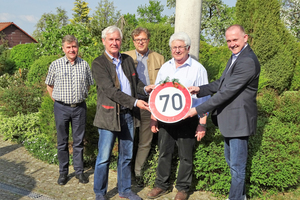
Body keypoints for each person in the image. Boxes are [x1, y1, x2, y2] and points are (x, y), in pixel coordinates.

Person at [184, 24, 261, 200]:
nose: (232, 44)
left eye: (235, 40)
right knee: (233, 164)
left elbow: (226, 93)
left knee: (237, 167)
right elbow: (221, 83)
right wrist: (200, 89)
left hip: (239, 122)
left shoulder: (247, 61)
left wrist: (197, 110)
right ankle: (240, 197)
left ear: (245, 37)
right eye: (228, 41)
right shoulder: (236, 56)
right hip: (231, 122)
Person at [92, 26, 155, 200]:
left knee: (126, 155)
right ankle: (100, 192)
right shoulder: (98, 63)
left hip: (128, 115)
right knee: (104, 157)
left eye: (117, 39)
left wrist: (145, 88)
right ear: (104, 41)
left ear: (121, 41)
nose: (114, 43)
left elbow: (135, 82)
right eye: (111, 39)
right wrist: (135, 102)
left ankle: (125, 189)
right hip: (109, 116)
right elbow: (110, 91)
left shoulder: (127, 59)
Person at [147, 32, 210, 200]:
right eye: (174, 47)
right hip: (166, 120)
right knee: (164, 153)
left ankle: (182, 188)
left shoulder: (198, 69)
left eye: (180, 47)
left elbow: (205, 98)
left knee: (186, 156)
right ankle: (161, 185)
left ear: (187, 48)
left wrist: (202, 123)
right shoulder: (165, 67)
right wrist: (154, 118)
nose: (177, 50)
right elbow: (156, 95)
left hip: (188, 119)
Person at [45, 35, 94, 185]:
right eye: (68, 47)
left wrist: (80, 97)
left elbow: (88, 84)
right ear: (63, 48)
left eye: (74, 46)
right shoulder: (55, 64)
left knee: (79, 142)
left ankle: (79, 172)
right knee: (62, 142)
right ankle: (63, 173)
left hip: (79, 108)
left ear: (77, 48)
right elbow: (49, 86)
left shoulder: (84, 64)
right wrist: (58, 102)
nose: (72, 49)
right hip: (61, 108)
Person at [124, 27, 165, 186]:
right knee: (128, 139)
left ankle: (138, 172)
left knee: (145, 141)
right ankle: (126, 172)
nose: (140, 42)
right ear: (133, 41)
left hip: (149, 104)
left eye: (143, 39)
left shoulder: (159, 58)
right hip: (130, 103)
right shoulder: (126, 56)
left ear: (148, 40)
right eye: (137, 40)